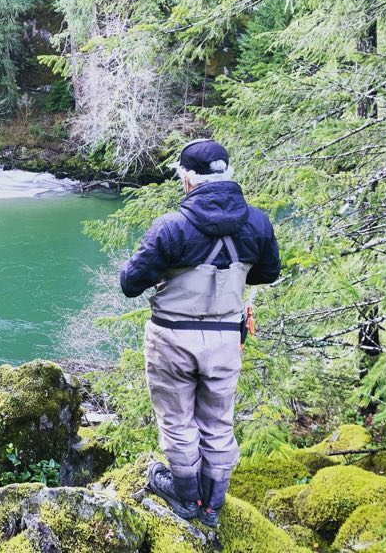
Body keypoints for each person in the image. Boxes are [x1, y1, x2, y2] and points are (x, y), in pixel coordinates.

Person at [120, 139, 280, 527]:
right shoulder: (257, 223)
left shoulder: (172, 227)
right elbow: (268, 272)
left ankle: (185, 496)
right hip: (226, 338)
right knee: (218, 420)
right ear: (227, 175)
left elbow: (130, 282)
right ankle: (212, 505)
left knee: (177, 420)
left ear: (187, 180)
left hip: (173, 338)